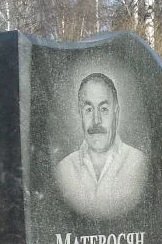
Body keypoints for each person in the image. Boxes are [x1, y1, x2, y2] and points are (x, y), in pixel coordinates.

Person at [55, 73, 147, 218]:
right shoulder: (63, 169)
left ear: (116, 113)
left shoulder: (139, 164)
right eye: (88, 110)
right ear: (80, 114)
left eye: (104, 109)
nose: (96, 120)